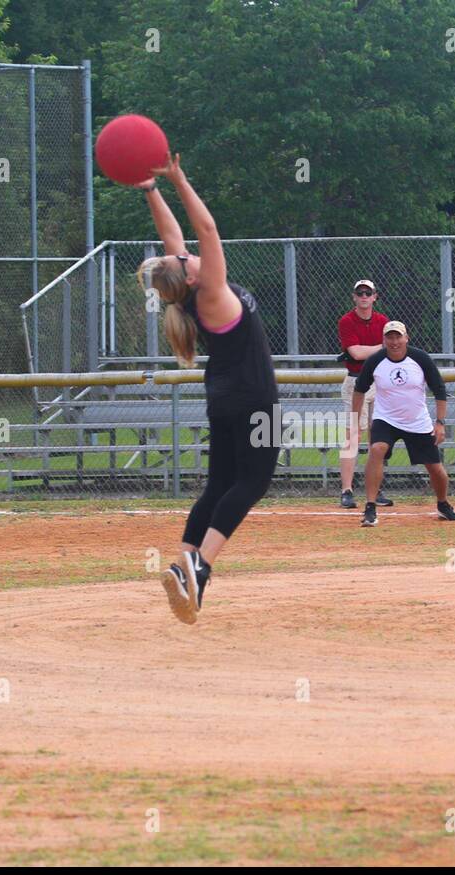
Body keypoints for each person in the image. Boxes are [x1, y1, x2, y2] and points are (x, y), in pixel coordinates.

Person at [135, 154, 279, 625]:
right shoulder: (211, 289)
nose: (187, 251)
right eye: (186, 257)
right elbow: (208, 229)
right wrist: (179, 178)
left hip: (222, 394)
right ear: (191, 275)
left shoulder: (189, 295)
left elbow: (174, 240)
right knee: (252, 482)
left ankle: (185, 565)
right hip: (254, 395)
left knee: (220, 483)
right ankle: (201, 565)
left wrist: (151, 190)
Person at [351, 321, 455, 527]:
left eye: (398, 337)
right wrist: (355, 421)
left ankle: (443, 504)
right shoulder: (375, 361)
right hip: (386, 419)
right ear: (383, 340)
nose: (394, 342)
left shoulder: (420, 358)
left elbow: (439, 389)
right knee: (377, 449)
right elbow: (359, 389)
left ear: (406, 338)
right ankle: (370, 507)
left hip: (416, 421)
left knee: (435, 468)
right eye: (389, 337)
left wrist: (440, 422)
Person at [337, 278, 392, 509]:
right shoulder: (347, 321)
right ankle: (347, 490)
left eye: (367, 293)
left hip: (379, 382)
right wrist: (381, 348)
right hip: (355, 381)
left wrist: (377, 350)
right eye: (359, 293)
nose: (363, 297)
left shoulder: (383, 321)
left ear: (374, 297)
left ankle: (374, 489)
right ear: (354, 297)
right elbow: (356, 353)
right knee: (352, 437)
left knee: (376, 439)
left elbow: (392, 349)